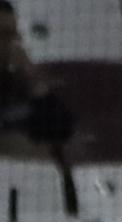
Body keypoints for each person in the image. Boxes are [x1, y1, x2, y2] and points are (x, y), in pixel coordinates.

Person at [0, 1, 74, 159]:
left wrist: (30, 73)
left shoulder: (16, 84)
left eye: (14, 34)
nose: (13, 42)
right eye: (5, 34)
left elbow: (62, 127)